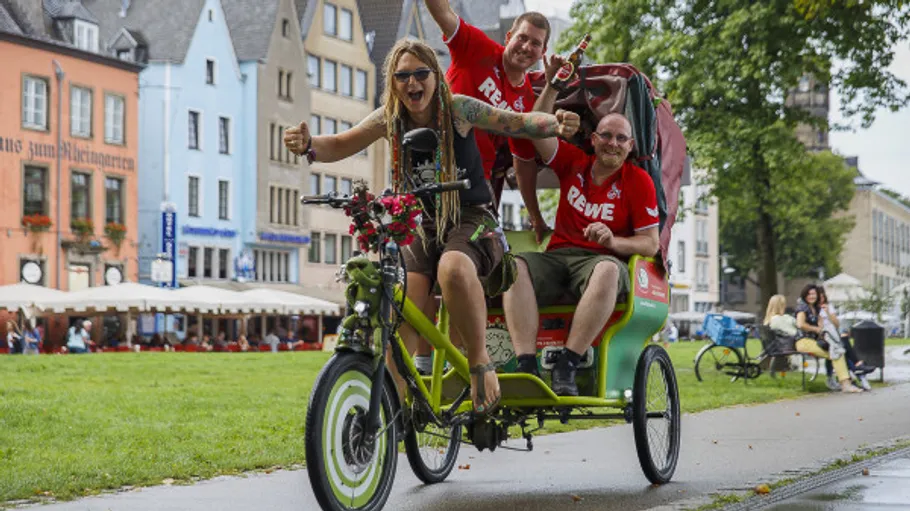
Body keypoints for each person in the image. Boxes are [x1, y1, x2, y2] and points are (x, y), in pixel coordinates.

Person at [285, 39, 579, 414]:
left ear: (435, 77)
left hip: (472, 218)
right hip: (420, 224)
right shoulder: (389, 118)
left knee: (452, 267)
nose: (411, 83)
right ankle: (393, 411)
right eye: (402, 76)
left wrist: (555, 122)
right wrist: (308, 144)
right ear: (392, 82)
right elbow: (341, 143)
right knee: (401, 297)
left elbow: (518, 122)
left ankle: (479, 363)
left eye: (419, 73)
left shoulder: (459, 109)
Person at [501, 56, 659, 396]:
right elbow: (534, 128)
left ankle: (568, 364)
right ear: (594, 139)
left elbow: (650, 244)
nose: (612, 144)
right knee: (513, 266)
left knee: (606, 271)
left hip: (600, 261)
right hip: (558, 255)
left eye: (621, 139)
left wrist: (614, 241)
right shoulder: (574, 162)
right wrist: (553, 83)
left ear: (630, 146)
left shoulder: (638, 180)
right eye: (606, 135)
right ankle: (526, 366)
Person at [423, 0, 550, 235]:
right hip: (434, 165)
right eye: (522, 37)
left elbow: (523, 163)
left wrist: (536, 218)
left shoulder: (527, 102)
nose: (526, 46)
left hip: (477, 182)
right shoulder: (477, 47)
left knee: (477, 250)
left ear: (543, 52)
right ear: (509, 36)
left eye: (535, 43)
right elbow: (441, 11)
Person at [795, 284, 862, 393]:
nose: (811, 296)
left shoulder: (816, 308)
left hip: (815, 341)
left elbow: (827, 325)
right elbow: (800, 324)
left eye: (814, 294)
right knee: (835, 353)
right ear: (804, 295)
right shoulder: (802, 307)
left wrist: (823, 326)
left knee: (837, 353)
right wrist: (816, 329)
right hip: (803, 342)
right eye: (809, 294)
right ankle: (845, 384)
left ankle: (846, 384)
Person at [817, 286, 871, 391]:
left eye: (822, 296)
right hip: (824, 336)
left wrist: (828, 313)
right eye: (819, 297)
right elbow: (820, 327)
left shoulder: (828, 307)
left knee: (843, 342)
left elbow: (836, 324)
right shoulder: (814, 309)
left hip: (834, 334)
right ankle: (857, 367)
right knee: (840, 345)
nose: (821, 299)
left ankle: (855, 369)